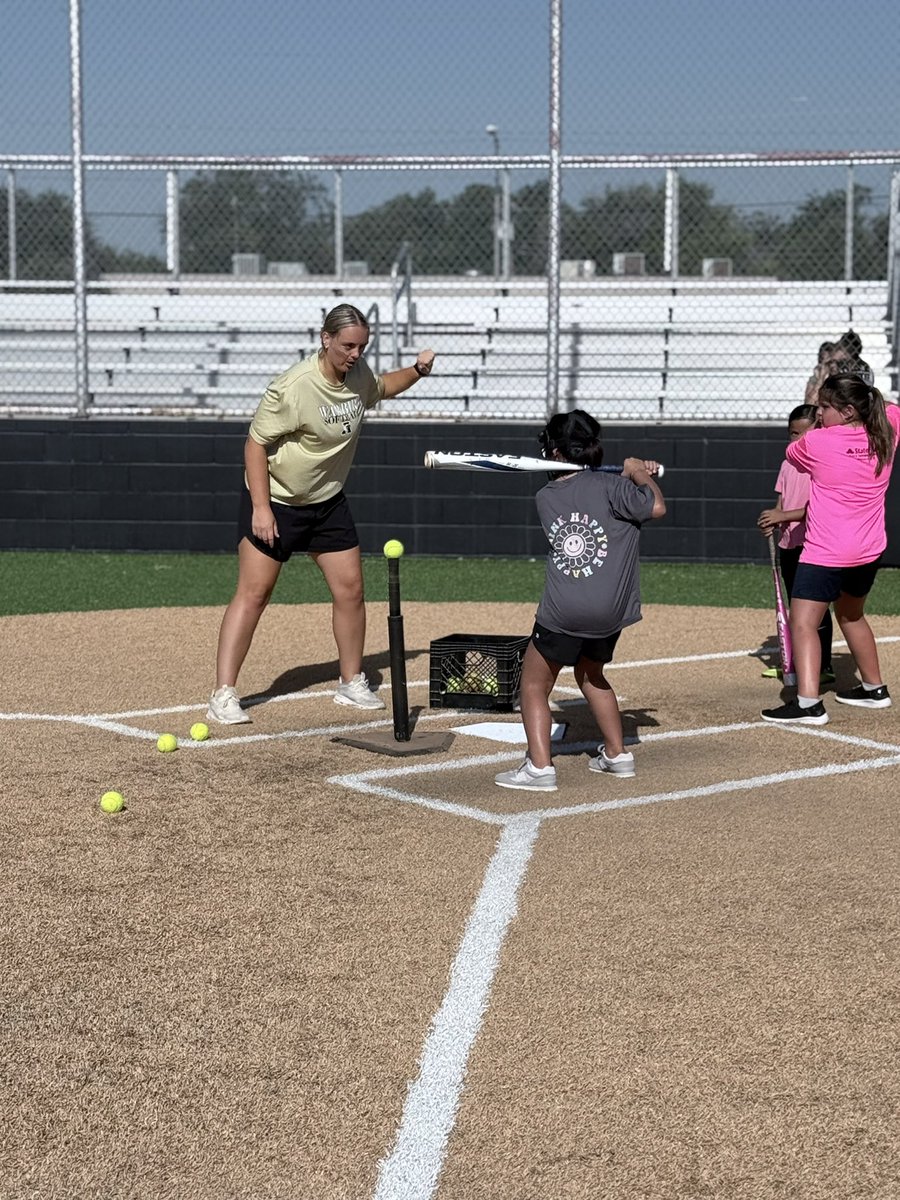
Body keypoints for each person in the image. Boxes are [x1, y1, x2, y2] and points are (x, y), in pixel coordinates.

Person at [207, 303, 435, 724]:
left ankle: (351, 682)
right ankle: (223, 693)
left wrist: (417, 371)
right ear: (325, 338)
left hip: (327, 502)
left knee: (351, 591)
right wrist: (261, 509)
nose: (355, 354)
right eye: (348, 345)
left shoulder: (357, 376)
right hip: (278, 501)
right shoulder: (293, 387)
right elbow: (254, 445)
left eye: (362, 346)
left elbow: (382, 387)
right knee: (254, 595)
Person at [494, 410, 665, 792]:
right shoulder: (615, 489)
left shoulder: (545, 497)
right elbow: (654, 506)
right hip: (611, 613)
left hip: (563, 611)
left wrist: (630, 474)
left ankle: (539, 768)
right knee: (591, 674)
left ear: (556, 452)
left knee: (534, 685)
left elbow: (586, 491)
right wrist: (639, 475)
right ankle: (618, 755)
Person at [761, 373, 899, 725]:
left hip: (826, 551)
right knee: (851, 614)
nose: (819, 413)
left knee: (803, 623)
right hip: (868, 550)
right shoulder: (887, 429)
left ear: (850, 410)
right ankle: (874, 688)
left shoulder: (817, 443)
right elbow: (889, 409)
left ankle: (807, 704)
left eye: (825, 406)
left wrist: (823, 426)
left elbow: (794, 452)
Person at [757, 403, 834, 684]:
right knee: (794, 606)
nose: (798, 440)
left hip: (813, 544)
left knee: (814, 609)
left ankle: (823, 665)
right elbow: (782, 500)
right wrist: (773, 520)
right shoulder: (788, 463)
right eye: (793, 434)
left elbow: (818, 506)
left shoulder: (822, 465)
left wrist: (783, 515)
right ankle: (794, 661)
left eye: (804, 434)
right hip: (789, 543)